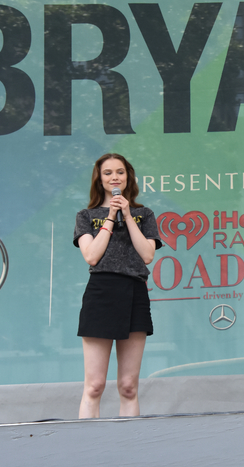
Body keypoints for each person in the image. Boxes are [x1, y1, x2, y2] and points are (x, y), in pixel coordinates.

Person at [73, 153, 162, 418]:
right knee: (95, 385)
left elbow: (147, 254)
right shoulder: (86, 215)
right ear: (99, 180)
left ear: (128, 177)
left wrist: (127, 213)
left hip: (134, 293)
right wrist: (111, 217)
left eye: (120, 172)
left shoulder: (144, 214)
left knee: (128, 387)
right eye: (108, 173)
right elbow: (91, 256)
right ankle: (88, 450)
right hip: (101, 292)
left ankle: (129, 450)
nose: (115, 177)